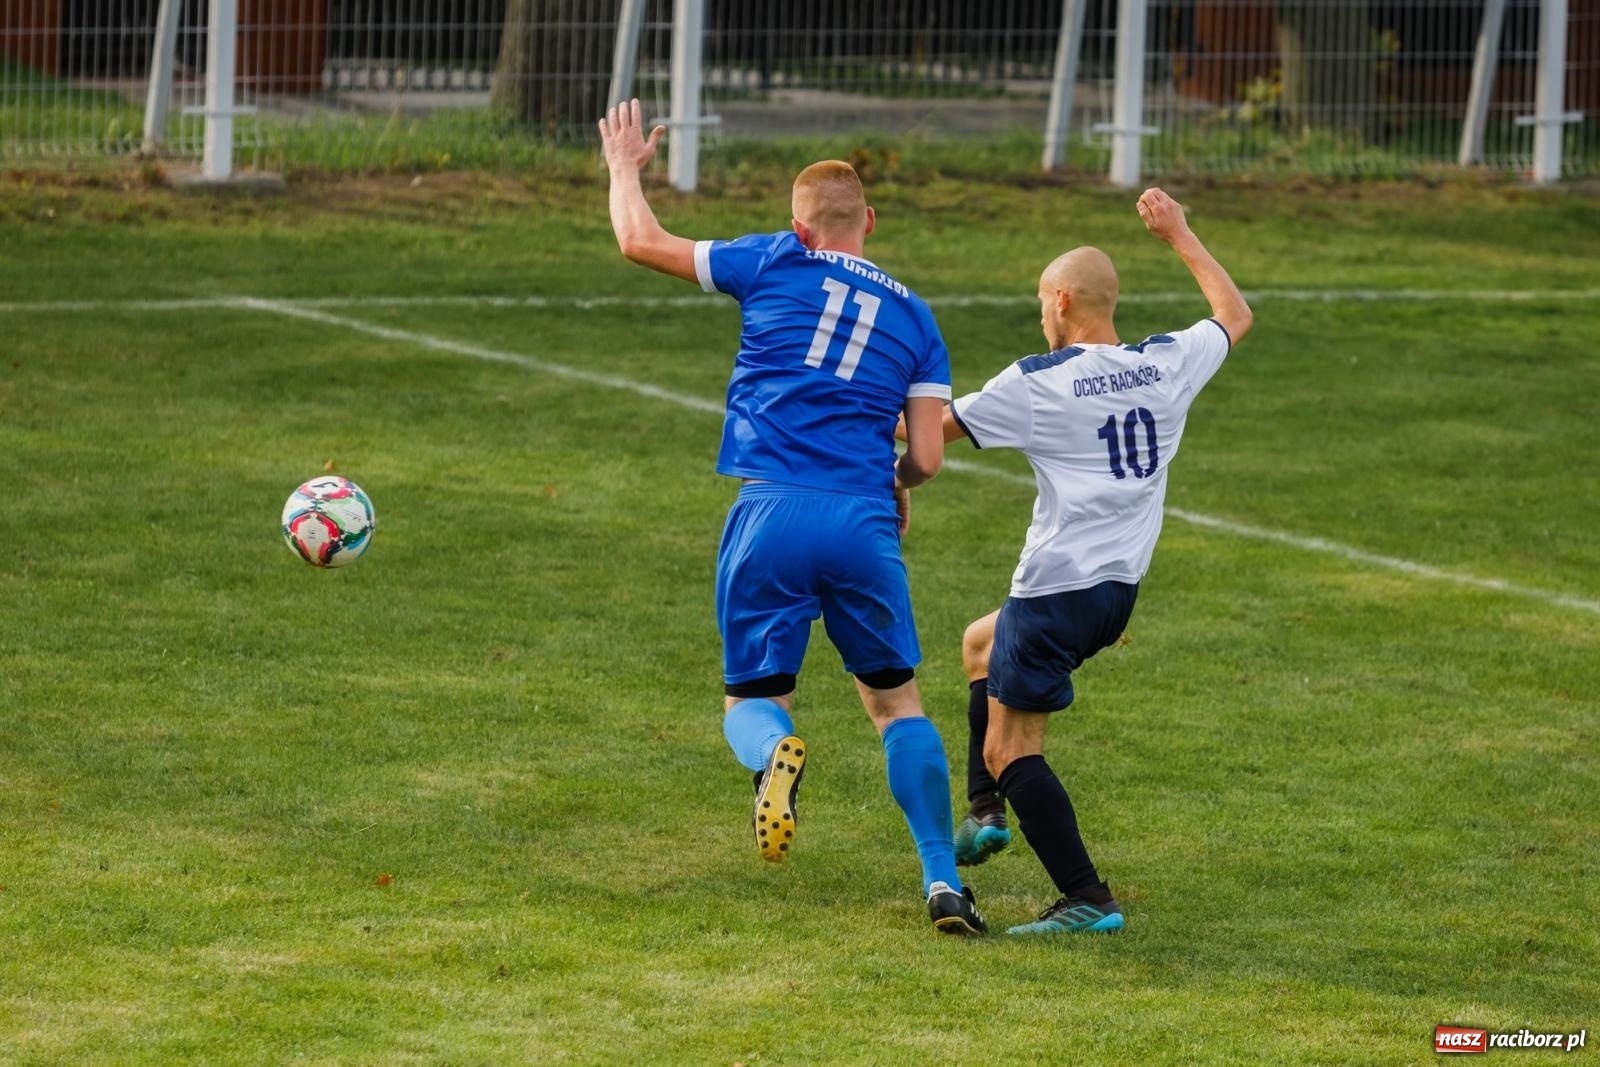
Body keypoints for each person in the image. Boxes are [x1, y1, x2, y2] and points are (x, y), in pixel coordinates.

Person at [597, 99, 984, 935]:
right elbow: (925, 456)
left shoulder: (773, 260)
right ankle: (942, 881)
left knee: (750, 698)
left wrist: (627, 168)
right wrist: (896, 481)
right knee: (897, 704)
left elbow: (640, 241)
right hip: (861, 521)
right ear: (868, 222)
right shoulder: (917, 318)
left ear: (799, 224)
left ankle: (774, 753)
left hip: (768, 509)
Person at [938, 188, 1252, 935]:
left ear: (1062, 298)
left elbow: (930, 434)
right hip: (1116, 595)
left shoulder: (1039, 383)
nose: (1039, 317)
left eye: (1040, 303)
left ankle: (1087, 897)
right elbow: (1234, 314)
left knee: (1012, 746)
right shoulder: (1164, 362)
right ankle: (984, 811)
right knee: (979, 642)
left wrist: (871, 439)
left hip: (1055, 591)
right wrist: (1178, 234)